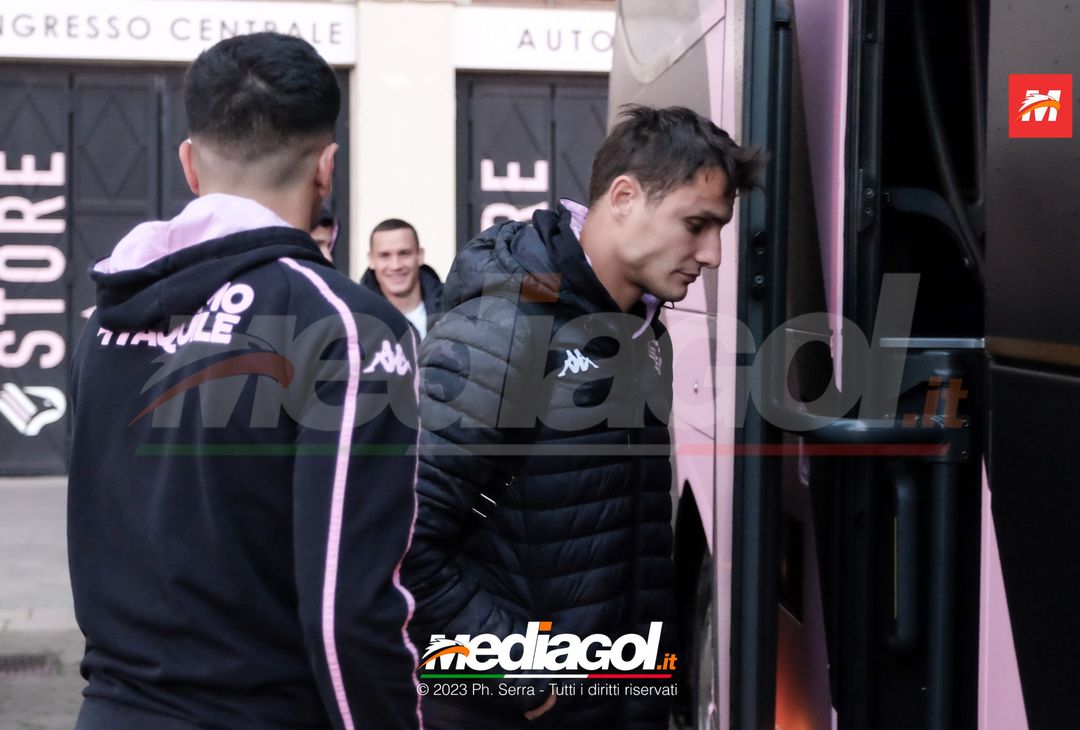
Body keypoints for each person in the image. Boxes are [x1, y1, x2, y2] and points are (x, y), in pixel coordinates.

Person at [68, 33, 422, 730]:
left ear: (189, 165)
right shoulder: (346, 327)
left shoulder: (103, 321)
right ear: (327, 168)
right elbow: (348, 613)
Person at [402, 105, 762, 729]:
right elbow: (402, 541)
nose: (712, 254)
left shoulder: (642, 330)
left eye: (720, 229)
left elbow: (630, 546)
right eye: (696, 224)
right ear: (623, 197)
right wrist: (518, 673)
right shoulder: (504, 325)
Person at [360, 218, 444, 338]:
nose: (396, 266)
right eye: (385, 255)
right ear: (371, 260)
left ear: (420, 255)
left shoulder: (454, 306)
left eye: (404, 253)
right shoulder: (355, 317)